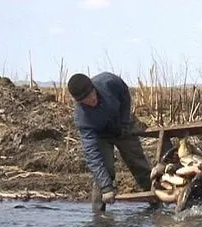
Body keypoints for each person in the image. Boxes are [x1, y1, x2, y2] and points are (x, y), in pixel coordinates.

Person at [67, 72, 172, 211]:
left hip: (122, 126)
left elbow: (124, 94)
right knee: (106, 170)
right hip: (101, 136)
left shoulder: (109, 82)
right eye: (85, 99)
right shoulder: (82, 119)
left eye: (91, 94)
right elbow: (92, 155)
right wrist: (106, 186)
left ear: (94, 87)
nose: (91, 99)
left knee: (139, 164)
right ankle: (99, 218)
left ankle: (157, 205)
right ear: (78, 101)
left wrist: (124, 121)